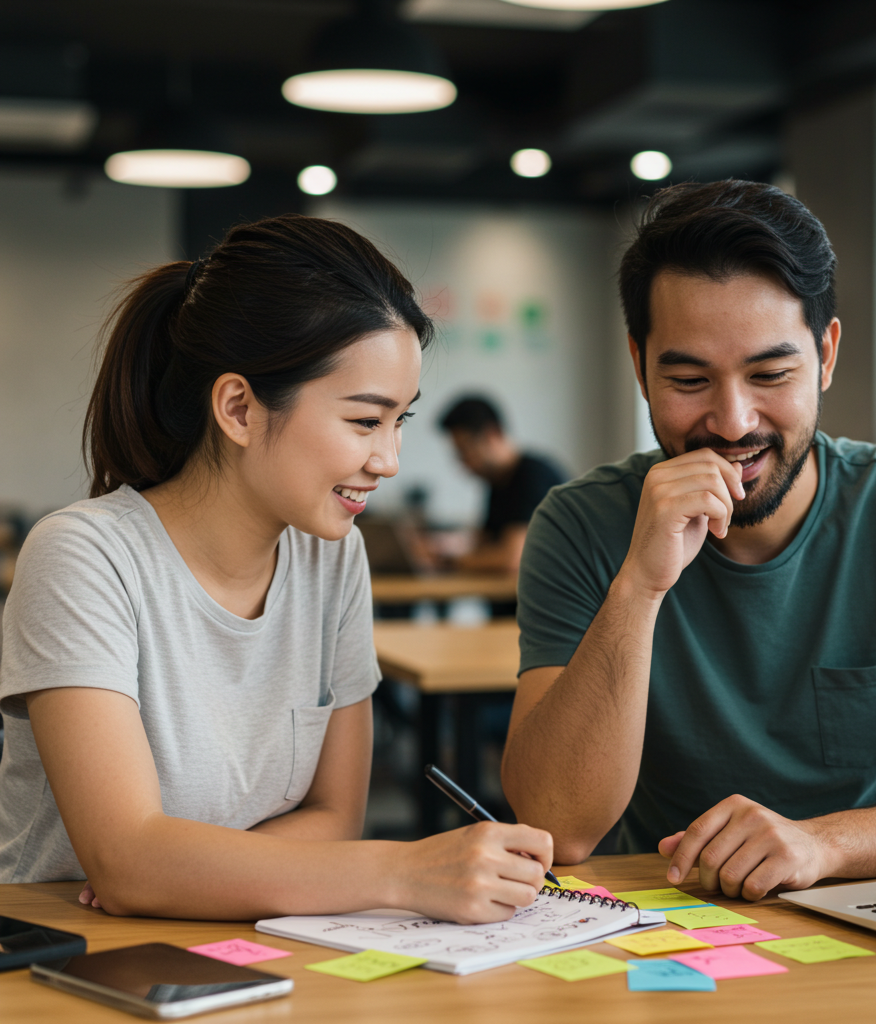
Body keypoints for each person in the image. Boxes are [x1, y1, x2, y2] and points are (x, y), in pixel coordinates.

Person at [0, 214, 552, 922]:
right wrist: (405, 869)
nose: (388, 460)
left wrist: (178, 871)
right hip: (78, 954)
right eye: (365, 420)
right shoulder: (84, 557)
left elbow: (336, 818)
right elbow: (130, 862)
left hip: (255, 942)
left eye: (401, 421)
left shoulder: (333, 556)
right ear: (238, 409)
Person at [501, 180, 876, 902]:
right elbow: (558, 825)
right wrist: (640, 586)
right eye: (689, 379)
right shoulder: (580, 523)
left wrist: (823, 844)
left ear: (827, 354)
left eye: (771, 374)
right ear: (640, 365)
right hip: (669, 916)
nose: (733, 420)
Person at [438, 396, 565, 574]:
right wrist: (443, 546)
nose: (463, 462)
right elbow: (483, 543)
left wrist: (448, 561)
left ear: (492, 434)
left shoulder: (533, 476)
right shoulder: (497, 482)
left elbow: (512, 559)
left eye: (465, 450)